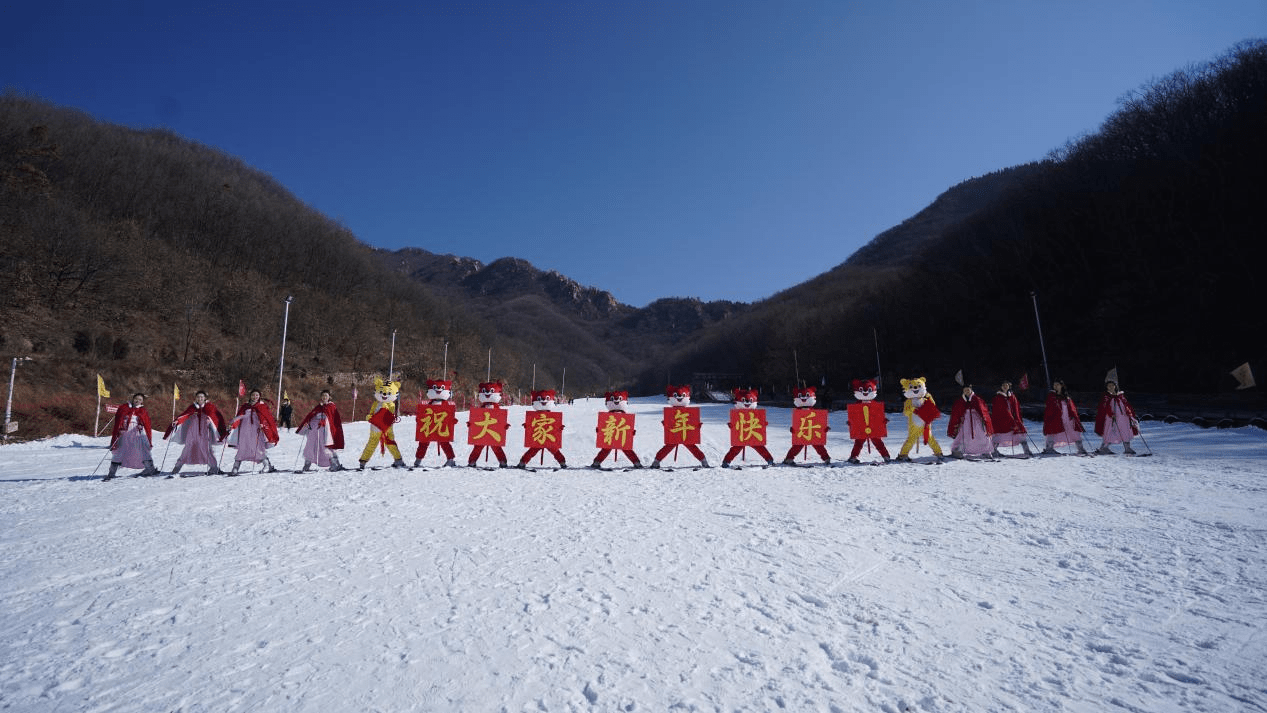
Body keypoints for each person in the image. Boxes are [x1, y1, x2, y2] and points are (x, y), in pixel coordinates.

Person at [164, 390, 229, 476]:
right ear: (196, 398)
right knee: (187, 449)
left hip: (205, 432)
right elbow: (184, 416)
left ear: (205, 398)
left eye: (202, 397)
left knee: (207, 449)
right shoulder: (192, 407)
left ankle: (214, 468)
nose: (200, 398)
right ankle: (176, 468)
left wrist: (210, 421)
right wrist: (177, 421)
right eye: (198, 397)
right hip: (193, 432)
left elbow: (216, 417)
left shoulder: (210, 406)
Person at [105, 393, 157, 479]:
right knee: (119, 450)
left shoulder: (142, 410)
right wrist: (120, 428)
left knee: (143, 450)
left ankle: (150, 469)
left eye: (140, 400)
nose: (138, 401)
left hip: (137, 433)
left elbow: (146, 423)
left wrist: (141, 425)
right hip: (125, 432)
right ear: (133, 398)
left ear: (142, 402)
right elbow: (118, 420)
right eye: (136, 398)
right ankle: (111, 472)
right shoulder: (124, 407)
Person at [228, 388, 280, 474]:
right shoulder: (245, 406)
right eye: (253, 395)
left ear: (259, 396)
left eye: (257, 395)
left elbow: (268, 419)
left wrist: (263, 425)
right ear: (250, 396)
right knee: (243, 447)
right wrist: (233, 422)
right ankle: (235, 467)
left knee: (258, 447)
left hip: (257, 431)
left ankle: (267, 465)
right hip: (245, 431)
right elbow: (239, 416)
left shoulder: (262, 406)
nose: (255, 397)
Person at [296, 390, 345, 471]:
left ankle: (335, 464)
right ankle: (307, 465)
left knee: (326, 446)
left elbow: (332, 419)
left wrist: (324, 418)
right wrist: (309, 423)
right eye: (323, 395)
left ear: (329, 397)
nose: (324, 397)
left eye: (326, 395)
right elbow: (311, 415)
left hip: (325, 431)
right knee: (310, 445)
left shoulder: (331, 406)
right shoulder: (319, 406)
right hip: (315, 430)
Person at [947, 384, 994, 458]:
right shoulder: (960, 400)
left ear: (971, 390)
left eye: (968, 390)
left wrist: (984, 419)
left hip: (976, 420)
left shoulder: (977, 399)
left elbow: (983, 410)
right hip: (965, 421)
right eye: (965, 390)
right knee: (963, 435)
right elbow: (957, 411)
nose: (966, 391)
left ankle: (986, 451)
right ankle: (957, 450)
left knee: (981, 434)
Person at [1095, 380, 1139, 454]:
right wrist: (1111, 414)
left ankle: (1127, 448)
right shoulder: (1106, 396)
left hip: (1123, 417)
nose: (1111, 387)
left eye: (1112, 385)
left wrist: (1130, 413)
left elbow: (1126, 405)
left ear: (1115, 386)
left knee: (1125, 431)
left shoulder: (1120, 395)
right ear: (1106, 387)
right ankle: (1103, 448)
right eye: (1109, 386)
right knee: (1111, 432)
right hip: (1112, 418)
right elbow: (1105, 407)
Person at [1042, 379, 1087, 454]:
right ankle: (1049, 448)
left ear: (1061, 386)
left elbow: (1072, 407)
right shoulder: (1051, 396)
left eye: (1057, 384)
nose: (1055, 386)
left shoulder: (1066, 396)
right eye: (1054, 385)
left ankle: (1080, 449)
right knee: (1053, 432)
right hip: (1056, 418)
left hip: (1068, 417)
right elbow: (1049, 408)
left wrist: (1074, 416)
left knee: (1074, 432)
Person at [990, 380, 1033, 456]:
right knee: (999, 436)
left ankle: (1027, 450)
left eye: (1007, 385)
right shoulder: (998, 397)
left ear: (1009, 386)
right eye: (1003, 385)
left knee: (1020, 434)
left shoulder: (1012, 397)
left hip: (1013, 420)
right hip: (1002, 421)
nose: (1005, 387)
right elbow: (998, 410)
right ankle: (993, 451)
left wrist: (1017, 418)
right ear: (1001, 387)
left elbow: (1016, 408)